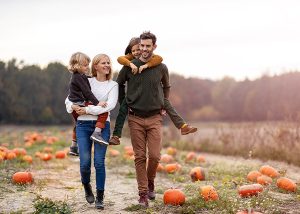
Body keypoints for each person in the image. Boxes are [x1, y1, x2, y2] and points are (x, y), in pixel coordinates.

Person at [117, 31, 195, 207]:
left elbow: (166, 86)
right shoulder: (129, 66)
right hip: (135, 118)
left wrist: (163, 103)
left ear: (154, 47)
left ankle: (150, 181)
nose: (144, 49)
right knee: (139, 157)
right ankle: (143, 194)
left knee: (155, 156)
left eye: (148, 46)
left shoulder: (161, 67)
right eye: (142, 46)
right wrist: (123, 102)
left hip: (154, 118)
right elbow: (119, 84)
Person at [109, 37, 197, 145]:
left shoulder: (155, 60)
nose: (137, 52)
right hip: (133, 98)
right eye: (134, 50)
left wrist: (146, 65)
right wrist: (122, 99)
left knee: (168, 105)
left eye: (139, 49)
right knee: (122, 112)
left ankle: (183, 126)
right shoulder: (129, 60)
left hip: (155, 97)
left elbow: (160, 59)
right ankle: (116, 136)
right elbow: (120, 60)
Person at [65, 54, 118, 209]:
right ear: (95, 66)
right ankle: (87, 186)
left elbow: (109, 106)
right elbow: (69, 99)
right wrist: (73, 107)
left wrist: (87, 109)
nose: (107, 65)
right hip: (83, 125)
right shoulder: (85, 79)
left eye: (109, 63)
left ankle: (100, 197)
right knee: (85, 163)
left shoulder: (112, 85)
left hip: (102, 126)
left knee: (99, 163)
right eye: (104, 63)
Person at [67, 52, 110, 156]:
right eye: (85, 65)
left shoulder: (80, 76)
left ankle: (73, 146)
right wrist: (97, 103)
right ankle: (97, 133)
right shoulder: (78, 77)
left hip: (76, 103)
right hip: (79, 103)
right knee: (104, 112)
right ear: (77, 65)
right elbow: (87, 92)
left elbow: (86, 82)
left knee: (77, 124)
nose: (87, 67)